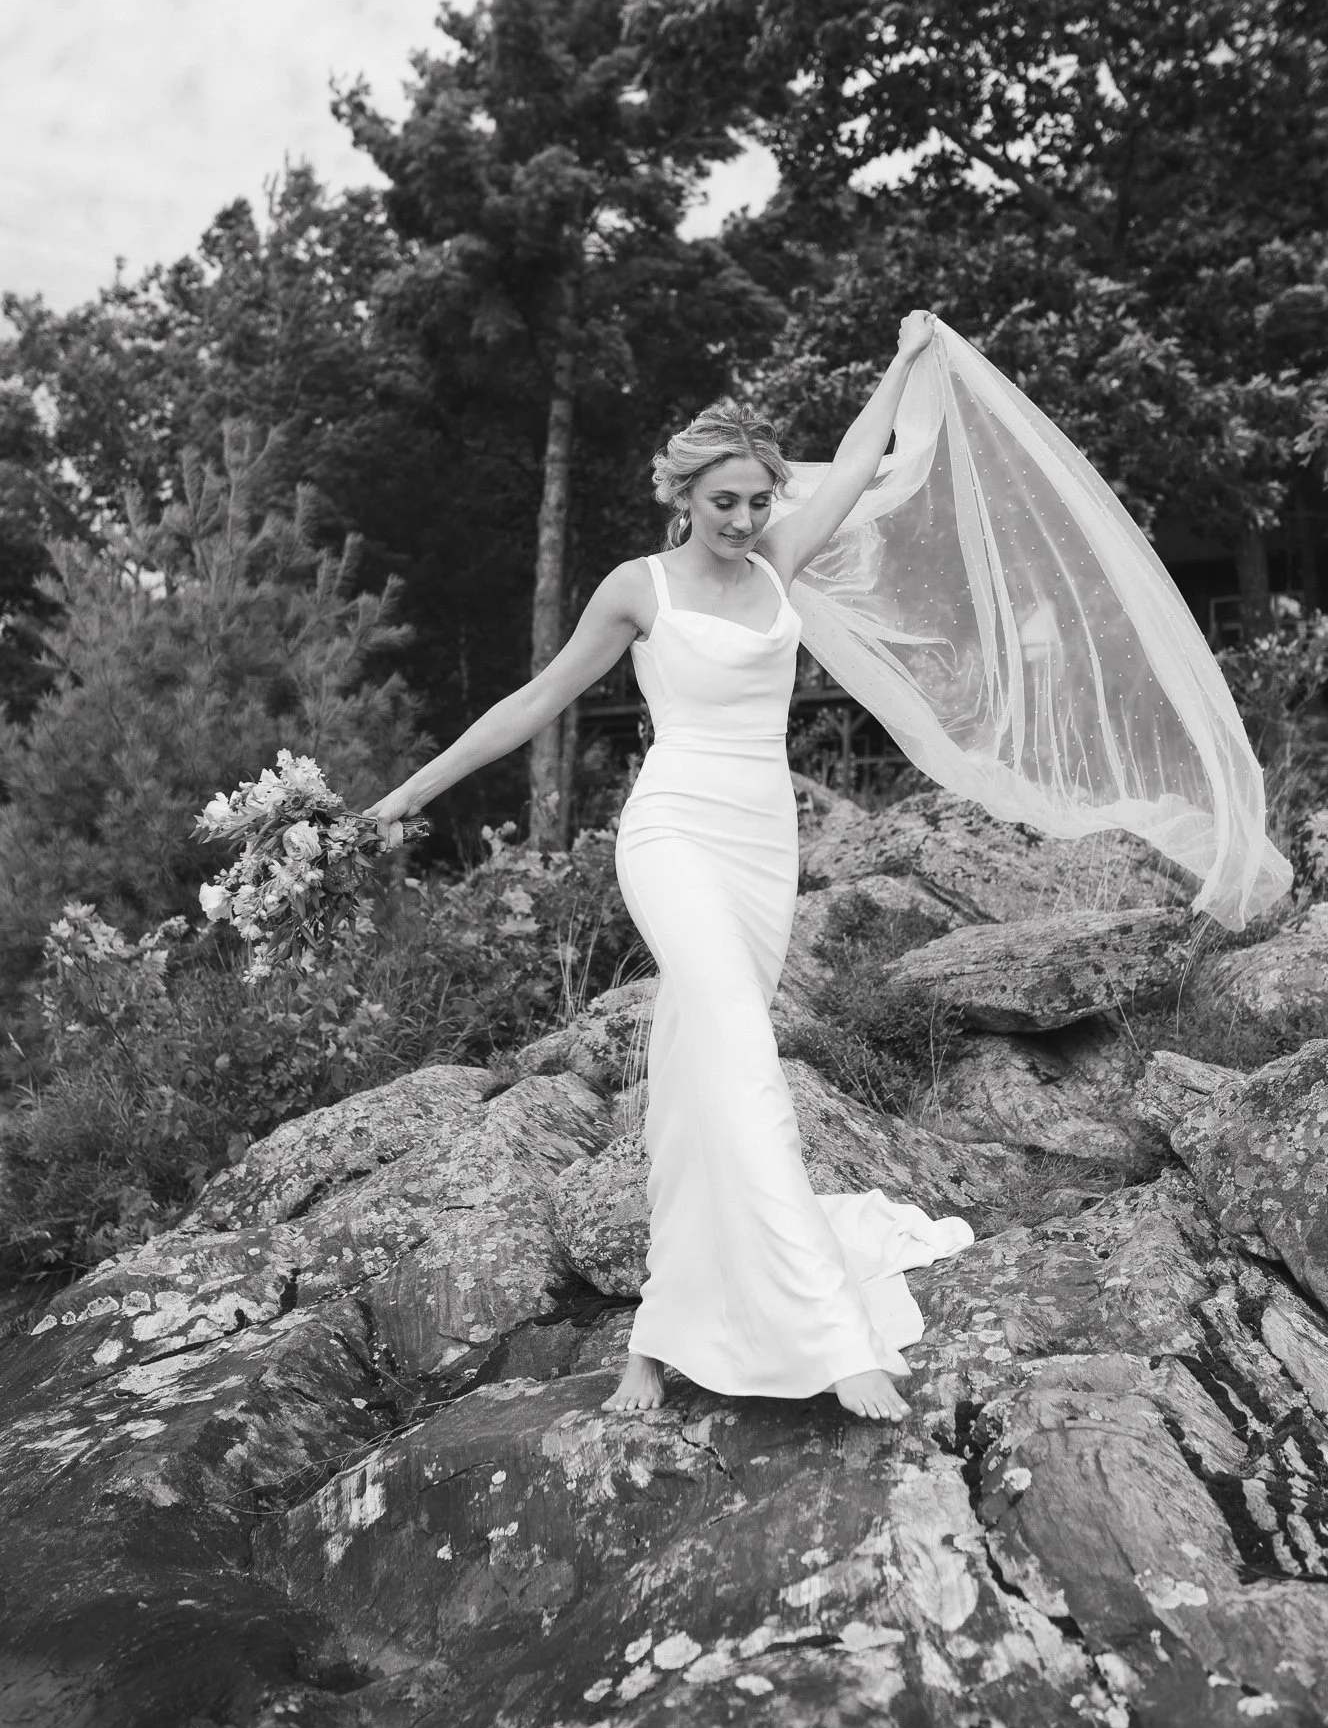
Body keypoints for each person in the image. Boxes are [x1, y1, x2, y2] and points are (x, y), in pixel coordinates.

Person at [366, 306, 975, 1424]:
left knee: (700, 1083)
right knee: (741, 1049)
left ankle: (657, 1338)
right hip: (672, 832)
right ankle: (828, 1338)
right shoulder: (636, 587)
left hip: (762, 842)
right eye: (723, 501)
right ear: (681, 496)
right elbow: (533, 703)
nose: (743, 520)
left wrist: (900, 362)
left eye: (757, 500)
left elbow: (857, 460)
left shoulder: (780, 562)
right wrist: (406, 796)